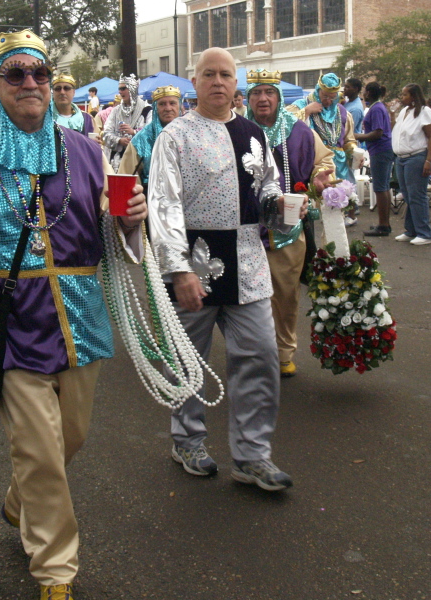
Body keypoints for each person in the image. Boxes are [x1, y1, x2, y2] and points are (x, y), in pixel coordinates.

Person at [0, 30, 146, 600]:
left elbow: (111, 228)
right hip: (9, 321)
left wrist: (132, 218)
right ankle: (55, 569)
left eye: (40, 74)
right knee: (39, 448)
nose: (32, 84)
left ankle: (20, 502)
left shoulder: (87, 152)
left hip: (80, 316)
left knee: (71, 437)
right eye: (16, 75)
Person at [148, 48, 303, 491]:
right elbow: (164, 206)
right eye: (209, 74)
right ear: (193, 83)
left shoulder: (254, 133)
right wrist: (178, 270)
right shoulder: (174, 136)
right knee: (188, 360)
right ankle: (187, 440)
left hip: (249, 263)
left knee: (259, 356)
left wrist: (286, 207)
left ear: (238, 84)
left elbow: (268, 189)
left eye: (226, 75)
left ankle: (253, 455)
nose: (218, 82)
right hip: (195, 262)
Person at [245, 69, 334, 378]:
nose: (262, 98)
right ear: (248, 98)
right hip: (245, 228)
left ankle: (284, 352)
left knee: (285, 294)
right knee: (249, 297)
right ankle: (256, 353)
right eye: (256, 93)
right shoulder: (238, 130)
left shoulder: (298, 131)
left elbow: (324, 162)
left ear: (279, 97)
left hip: (288, 226)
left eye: (269, 92)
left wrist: (320, 179)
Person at [288, 73, 358, 226]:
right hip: (314, 161)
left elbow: (348, 140)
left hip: (338, 165)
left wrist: (354, 152)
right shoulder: (301, 104)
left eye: (333, 97)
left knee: (335, 212)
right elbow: (285, 125)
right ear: (318, 90)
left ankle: (333, 243)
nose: (328, 100)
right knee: (311, 210)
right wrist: (306, 111)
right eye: (325, 96)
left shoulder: (342, 112)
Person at [118, 85, 182, 190]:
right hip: (149, 199)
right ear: (155, 108)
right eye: (162, 104)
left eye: (172, 103)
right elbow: (127, 179)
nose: (168, 108)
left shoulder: (189, 136)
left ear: (179, 106)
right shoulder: (140, 140)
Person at [392, 83, 431, 246]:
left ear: (414, 96)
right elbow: (394, 131)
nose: (402, 98)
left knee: (417, 195)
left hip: (416, 157)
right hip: (401, 158)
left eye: (404, 95)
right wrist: (391, 113)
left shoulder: (425, 112)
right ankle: (411, 230)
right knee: (408, 195)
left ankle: (424, 233)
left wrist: (428, 160)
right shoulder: (404, 112)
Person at [355, 82, 395, 236]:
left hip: (381, 150)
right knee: (382, 186)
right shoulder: (378, 107)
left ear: (369, 93)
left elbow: (378, 132)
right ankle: (383, 223)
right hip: (380, 150)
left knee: (380, 187)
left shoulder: (377, 108)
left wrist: (358, 136)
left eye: (365, 91)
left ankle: (384, 225)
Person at [103, 74, 150, 171]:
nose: (120, 91)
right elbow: (106, 133)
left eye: (124, 88)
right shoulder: (115, 111)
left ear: (132, 89)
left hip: (140, 162)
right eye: (119, 89)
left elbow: (151, 134)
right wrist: (119, 140)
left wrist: (134, 133)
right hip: (118, 162)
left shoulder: (147, 110)